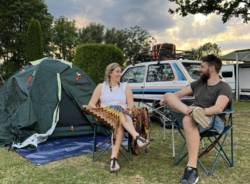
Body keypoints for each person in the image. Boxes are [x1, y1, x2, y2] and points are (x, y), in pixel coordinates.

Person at [160, 54, 232, 184]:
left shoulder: (224, 87)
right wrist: (165, 99)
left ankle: (191, 168)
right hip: (192, 116)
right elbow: (177, 94)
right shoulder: (199, 83)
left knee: (188, 120)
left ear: (211, 68)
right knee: (168, 95)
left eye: (202, 66)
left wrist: (202, 112)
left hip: (213, 121)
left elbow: (218, 108)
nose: (199, 69)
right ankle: (191, 112)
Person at [88, 62, 150, 172]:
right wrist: (100, 111)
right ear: (110, 73)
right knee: (119, 116)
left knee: (120, 119)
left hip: (125, 116)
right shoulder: (101, 87)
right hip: (107, 115)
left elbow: (131, 105)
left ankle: (113, 160)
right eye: (117, 71)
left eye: (120, 71)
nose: (120, 74)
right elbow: (91, 104)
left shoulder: (125, 87)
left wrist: (127, 109)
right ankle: (137, 137)